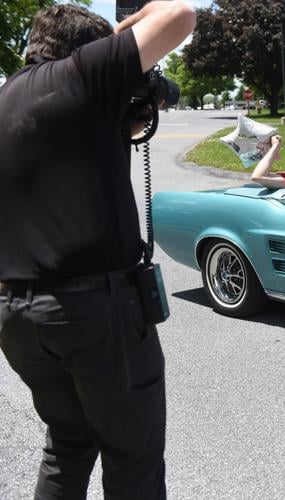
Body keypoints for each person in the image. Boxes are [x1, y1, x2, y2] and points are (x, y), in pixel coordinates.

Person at [0, 3, 195, 499]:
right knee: (134, 457)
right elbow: (181, 13)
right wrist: (124, 30)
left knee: (68, 442)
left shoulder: (11, 97)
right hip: (92, 311)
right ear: (92, 50)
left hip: (17, 314)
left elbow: (77, 143)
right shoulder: (82, 73)